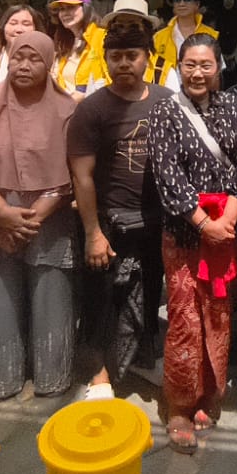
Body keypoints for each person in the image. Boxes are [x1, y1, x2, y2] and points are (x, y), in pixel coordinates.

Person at [0, 30, 77, 401]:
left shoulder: (66, 109)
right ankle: (3, 377)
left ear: (49, 63)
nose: (24, 66)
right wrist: (1, 211)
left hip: (50, 214)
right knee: (0, 295)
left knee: (50, 292)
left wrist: (32, 216)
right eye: (18, 57)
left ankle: (52, 376)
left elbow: (75, 171)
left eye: (34, 59)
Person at [148, 34, 237, 452]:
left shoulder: (230, 106)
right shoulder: (164, 112)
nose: (197, 73)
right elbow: (166, 174)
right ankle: (179, 405)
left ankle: (210, 391)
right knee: (185, 318)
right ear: (178, 66)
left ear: (219, 67)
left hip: (227, 231)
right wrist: (202, 222)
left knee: (219, 311)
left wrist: (231, 213)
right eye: (189, 64)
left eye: (205, 65)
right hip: (186, 234)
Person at [68, 20, 172, 400]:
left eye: (132, 56)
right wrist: (93, 233)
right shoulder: (92, 110)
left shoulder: (165, 101)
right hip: (109, 224)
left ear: (148, 58)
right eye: (116, 57)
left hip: (156, 221)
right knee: (101, 300)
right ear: (105, 59)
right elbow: (82, 177)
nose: (124, 63)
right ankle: (99, 375)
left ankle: (145, 359)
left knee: (148, 293)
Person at [150, 0, 217, 89]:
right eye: (177, 0)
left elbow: (217, 73)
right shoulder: (159, 37)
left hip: (200, 92)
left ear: (197, 4)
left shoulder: (210, 34)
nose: (181, 3)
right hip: (166, 93)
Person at [49, 0, 109, 97]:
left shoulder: (102, 36)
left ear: (86, 8)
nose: (65, 13)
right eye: (62, 9)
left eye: (70, 7)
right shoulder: (64, 42)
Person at [0, 3, 48, 82]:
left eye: (26, 24)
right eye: (13, 23)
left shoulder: (46, 59)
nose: (19, 30)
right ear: (3, 27)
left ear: (36, 29)